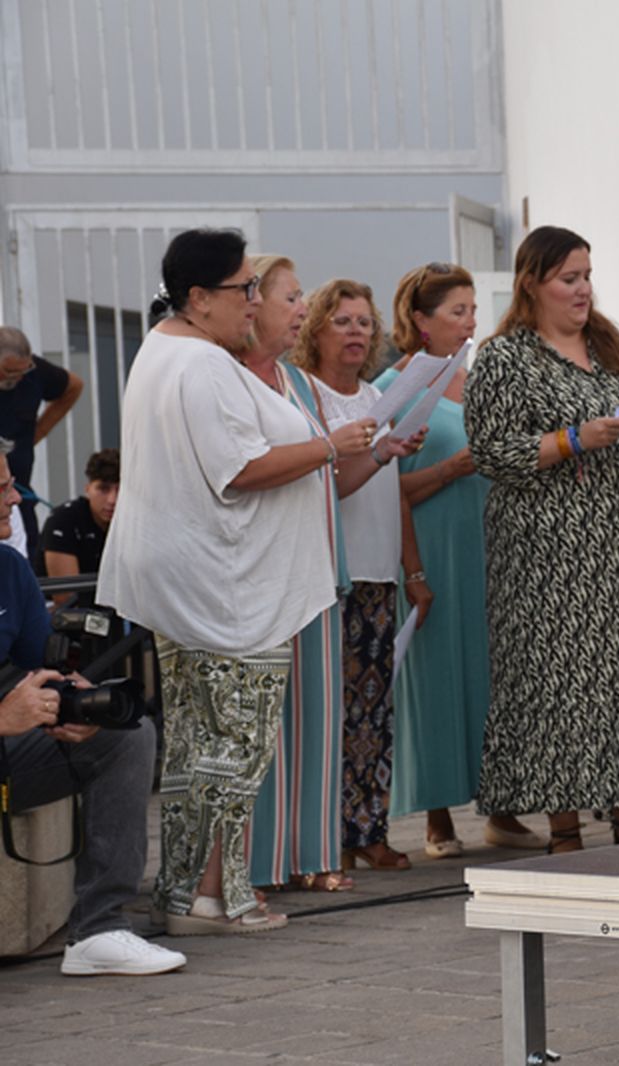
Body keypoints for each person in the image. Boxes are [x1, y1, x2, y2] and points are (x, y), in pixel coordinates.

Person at [98, 229, 375, 933]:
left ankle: (190, 893)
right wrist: (329, 447)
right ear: (199, 298)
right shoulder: (203, 364)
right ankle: (218, 897)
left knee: (197, 742)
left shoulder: (162, 350)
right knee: (234, 743)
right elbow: (240, 469)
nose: (252, 302)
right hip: (223, 586)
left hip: (189, 576)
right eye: (243, 289)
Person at [464, 225, 619, 853]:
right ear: (532, 283)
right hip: (546, 554)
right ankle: (563, 824)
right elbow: (494, 453)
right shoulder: (506, 357)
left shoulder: (606, 345)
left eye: (587, 275)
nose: (584, 289)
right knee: (554, 681)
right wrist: (571, 439)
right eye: (570, 278)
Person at [0, 441, 186, 974]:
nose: (15, 498)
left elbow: (42, 666)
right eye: (2, 487)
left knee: (125, 733)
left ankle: (99, 930)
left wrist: (72, 705)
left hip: (12, 758)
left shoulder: (10, 569)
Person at [379, 262, 545, 857]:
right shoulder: (392, 390)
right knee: (437, 679)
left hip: (491, 545)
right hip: (431, 544)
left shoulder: (480, 380)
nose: (471, 321)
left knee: (494, 677)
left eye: (473, 310)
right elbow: (383, 488)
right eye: (457, 311)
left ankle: (502, 808)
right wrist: (451, 468)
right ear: (420, 321)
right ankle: (438, 817)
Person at [235, 256, 389, 895]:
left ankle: (315, 851)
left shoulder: (293, 386)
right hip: (262, 567)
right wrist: (333, 447)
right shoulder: (241, 379)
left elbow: (330, 478)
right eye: (292, 298)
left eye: (303, 298)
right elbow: (250, 468)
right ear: (254, 305)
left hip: (320, 562)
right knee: (267, 721)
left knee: (320, 718)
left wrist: (370, 452)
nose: (302, 308)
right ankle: (262, 860)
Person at [290, 279, 430, 876]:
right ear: (316, 330)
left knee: (374, 711)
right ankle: (321, 837)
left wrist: (411, 566)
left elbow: (392, 491)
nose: (355, 332)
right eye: (342, 321)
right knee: (329, 713)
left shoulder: (379, 394)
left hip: (378, 574)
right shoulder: (307, 396)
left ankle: (368, 829)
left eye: (364, 323)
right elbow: (334, 480)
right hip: (329, 572)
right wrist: (376, 453)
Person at [0, 327, 83, 570]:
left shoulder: (34, 372)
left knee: (25, 564)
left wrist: (38, 433)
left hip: (18, 493)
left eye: (22, 371)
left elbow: (74, 386)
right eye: (9, 371)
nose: (16, 378)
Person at [42, 448, 119, 580]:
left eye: (120, 490)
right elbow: (66, 596)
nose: (112, 500)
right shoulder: (63, 520)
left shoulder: (136, 523)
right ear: (87, 489)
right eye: (103, 489)